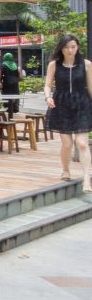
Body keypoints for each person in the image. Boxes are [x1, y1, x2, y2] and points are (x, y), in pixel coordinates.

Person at [44, 34, 92, 192]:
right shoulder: (54, 65)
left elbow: (90, 88)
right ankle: (66, 169)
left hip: (82, 104)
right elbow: (48, 85)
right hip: (61, 104)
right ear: (61, 48)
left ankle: (86, 179)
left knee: (82, 144)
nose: (70, 50)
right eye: (66, 47)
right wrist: (48, 97)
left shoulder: (86, 65)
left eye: (73, 46)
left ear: (78, 47)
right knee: (67, 144)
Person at [0, 52, 22, 116]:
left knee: (7, 95)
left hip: (7, 82)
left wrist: (0, 80)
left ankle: (9, 107)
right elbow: (18, 74)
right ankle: (15, 107)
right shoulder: (15, 65)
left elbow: (1, 74)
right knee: (15, 94)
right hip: (15, 82)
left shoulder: (3, 65)